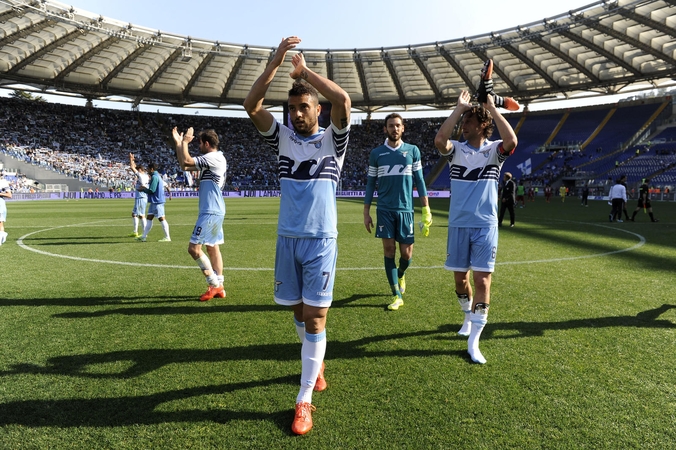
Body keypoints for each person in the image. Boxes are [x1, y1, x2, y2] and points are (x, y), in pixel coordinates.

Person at [243, 36, 351, 435]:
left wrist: (305, 74)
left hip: (322, 239)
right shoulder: (283, 139)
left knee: (316, 317)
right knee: (297, 312)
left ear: (317, 110)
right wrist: (274, 63)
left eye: (303, 107)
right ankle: (316, 360)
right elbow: (250, 106)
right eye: (291, 109)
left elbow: (344, 101)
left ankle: (304, 399)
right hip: (287, 239)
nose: (295, 114)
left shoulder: (333, 141)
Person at [433, 85, 517, 365]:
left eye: (468, 120)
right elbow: (439, 139)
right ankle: (468, 316)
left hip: (485, 226)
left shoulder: (494, 151)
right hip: (458, 226)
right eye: (463, 120)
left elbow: (512, 140)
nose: (463, 125)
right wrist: (459, 108)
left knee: (482, 280)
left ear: (483, 125)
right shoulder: (455, 150)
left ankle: (474, 342)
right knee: (460, 281)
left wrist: (492, 107)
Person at [363, 113, 432, 311]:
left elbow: (419, 180)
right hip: (384, 210)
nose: (394, 129)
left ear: (403, 128)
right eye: (391, 126)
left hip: (406, 210)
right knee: (389, 251)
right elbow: (370, 185)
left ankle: (401, 273)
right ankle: (396, 294)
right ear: (385, 129)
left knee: (406, 254)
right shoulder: (377, 153)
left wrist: (426, 209)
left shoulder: (413, 151)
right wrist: (366, 212)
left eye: (398, 126)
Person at [172, 127, 227, 301]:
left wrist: (185, 142)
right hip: (214, 209)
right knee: (212, 247)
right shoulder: (214, 159)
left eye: (200, 143)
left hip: (210, 210)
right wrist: (179, 144)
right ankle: (219, 285)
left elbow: (187, 160)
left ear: (206, 143)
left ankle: (214, 284)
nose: (199, 147)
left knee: (194, 249)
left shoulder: (213, 157)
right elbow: (184, 165)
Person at [135, 162, 171, 242]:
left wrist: (143, 189)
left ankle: (167, 237)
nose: (147, 170)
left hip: (157, 201)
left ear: (152, 169)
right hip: (154, 201)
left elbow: (152, 190)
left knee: (161, 218)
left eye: (148, 169)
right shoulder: (157, 176)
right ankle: (144, 236)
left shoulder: (155, 177)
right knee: (149, 218)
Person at [128, 153, 149, 237]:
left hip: (141, 197)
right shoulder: (145, 175)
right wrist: (133, 160)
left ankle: (144, 233)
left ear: (140, 169)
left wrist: (130, 159)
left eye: (138, 169)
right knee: (134, 214)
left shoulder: (141, 175)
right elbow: (134, 166)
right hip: (141, 197)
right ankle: (135, 231)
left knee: (141, 215)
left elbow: (132, 168)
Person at [0, 174, 11, 245]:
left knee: (0, 223)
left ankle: (1, 238)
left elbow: (9, 195)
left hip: (0, 204)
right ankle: (3, 235)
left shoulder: (3, 183)